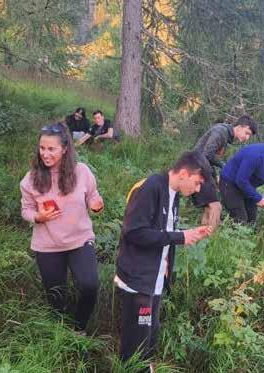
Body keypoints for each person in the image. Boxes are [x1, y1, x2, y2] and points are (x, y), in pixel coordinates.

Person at [114, 151, 214, 369]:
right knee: (136, 343)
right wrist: (180, 237)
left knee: (150, 337)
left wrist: (186, 237)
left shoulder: (174, 193)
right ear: (184, 173)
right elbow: (134, 232)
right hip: (137, 279)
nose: (198, 189)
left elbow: (162, 231)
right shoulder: (150, 188)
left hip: (155, 278)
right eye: (197, 183)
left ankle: (143, 367)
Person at [20, 122, 104, 332]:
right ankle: (60, 332)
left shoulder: (81, 171)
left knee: (89, 285)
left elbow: (93, 196)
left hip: (79, 240)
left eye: (51, 149)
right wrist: (38, 217)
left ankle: (79, 327)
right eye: (42, 148)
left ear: (65, 149)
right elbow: (26, 210)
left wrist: (96, 204)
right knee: (56, 296)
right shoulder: (30, 179)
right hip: (47, 245)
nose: (45, 154)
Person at [192, 115, 258, 229]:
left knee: (210, 206)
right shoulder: (221, 131)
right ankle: (210, 235)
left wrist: (215, 175)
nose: (247, 138)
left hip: (202, 169)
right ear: (241, 126)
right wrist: (224, 166)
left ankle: (204, 233)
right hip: (197, 169)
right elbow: (208, 153)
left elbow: (211, 157)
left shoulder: (225, 134)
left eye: (249, 136)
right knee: (215, 206)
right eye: (247, 133)